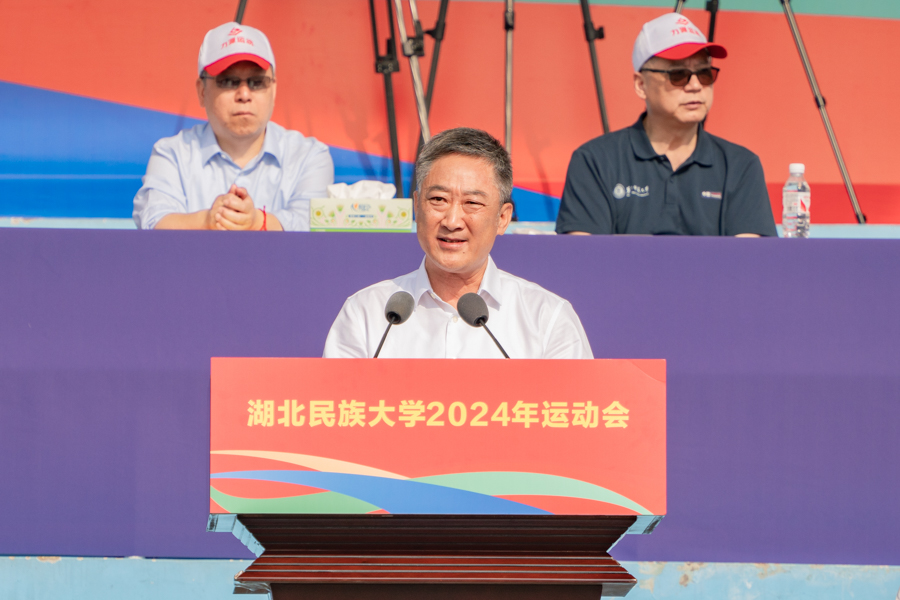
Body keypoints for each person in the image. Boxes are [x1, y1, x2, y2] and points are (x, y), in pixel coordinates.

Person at [323, 128, 593, 359]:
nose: (452, 221)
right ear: (416, 206)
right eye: (438, 200)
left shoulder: (547, 318)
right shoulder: (367, 313)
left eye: (472, 203)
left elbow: (576, 404)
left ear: (502, 218)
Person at [556, 13, 776, 237]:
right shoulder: (595, 161)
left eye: (704, 73)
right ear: (641, 84)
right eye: (678, 74)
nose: (695, 86)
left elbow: (749, 256)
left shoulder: (740, 166)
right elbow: (583, 254)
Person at [133, 22, 333, 231]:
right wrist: (207, 221)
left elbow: (313, 226)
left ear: (273, 90)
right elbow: (153, 222)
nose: (244, 94)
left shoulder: (309, 157)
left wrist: (257, 222)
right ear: (202, 91)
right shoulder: (171, 154)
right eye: (228, 81)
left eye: (257, 82)